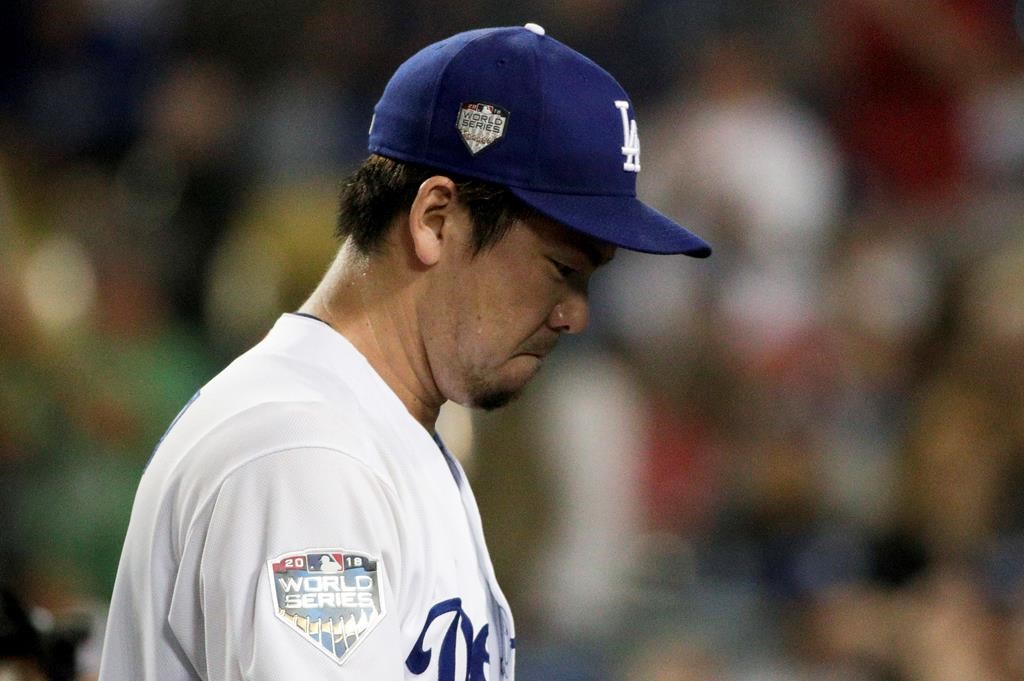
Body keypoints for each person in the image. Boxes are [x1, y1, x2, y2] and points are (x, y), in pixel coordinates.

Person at [97, 23, 710, 681]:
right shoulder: (307, 456)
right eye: (561, 268)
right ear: (435, 219)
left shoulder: (379, 431)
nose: (575, 314)